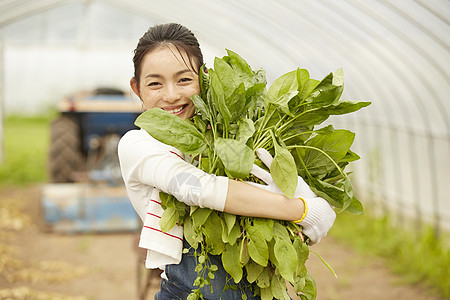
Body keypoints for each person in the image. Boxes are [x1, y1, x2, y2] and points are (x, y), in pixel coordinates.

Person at [118, 23, 336, 299]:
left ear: (205, 80)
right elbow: (200, 188)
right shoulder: (138, 146)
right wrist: (302, 210)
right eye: (155, 83)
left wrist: (302, 214)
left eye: (184, 80)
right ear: (136, 88)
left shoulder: (232, 135)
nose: (171, 95)